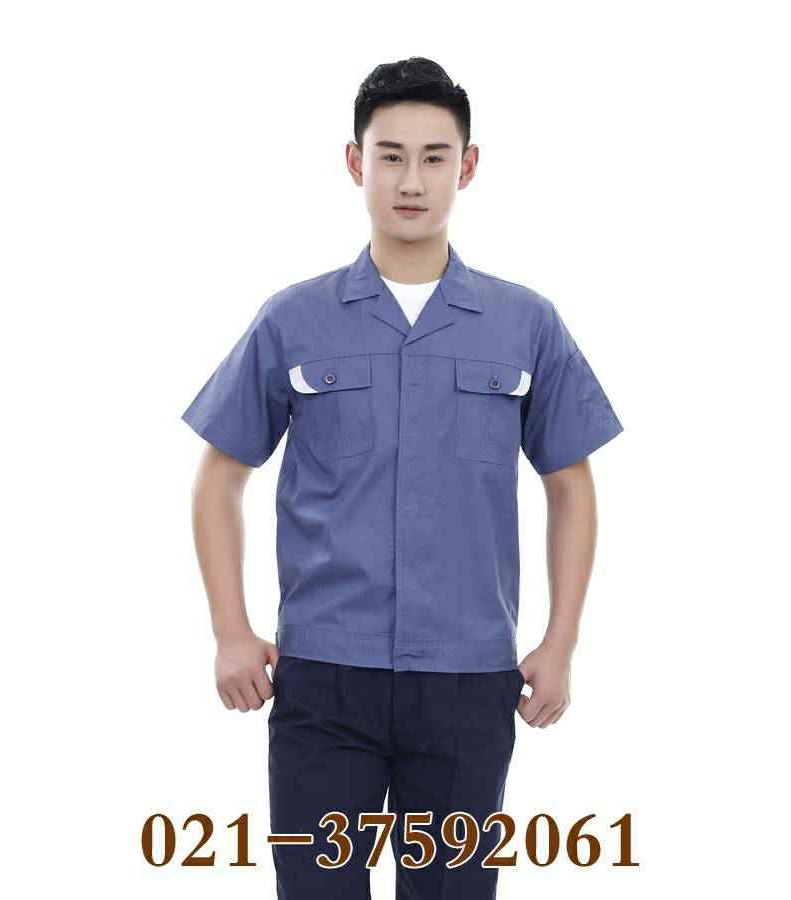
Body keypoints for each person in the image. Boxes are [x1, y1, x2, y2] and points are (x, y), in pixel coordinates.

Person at [181, 56, 624, 900]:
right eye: (390, 156)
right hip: (323, 677)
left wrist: (561, 642)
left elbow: (571, 484)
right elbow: (218, 476)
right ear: (356, 163)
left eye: (433, 157)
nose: (411, 180)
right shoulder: (293, 318)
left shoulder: (526, 324)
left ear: (468, 165)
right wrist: (230, 631)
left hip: (468, 681)